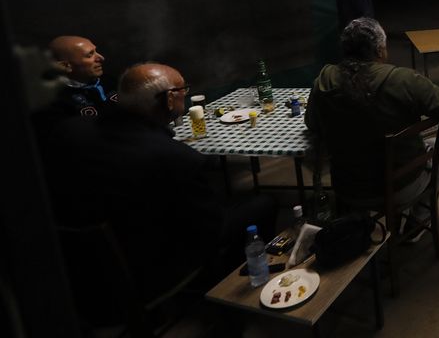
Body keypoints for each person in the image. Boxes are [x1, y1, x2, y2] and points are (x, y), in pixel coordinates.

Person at [42, 62, 276, 302]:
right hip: (145, 274)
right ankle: (229, 294)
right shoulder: (172, 156)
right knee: (263, 203)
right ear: (169, 99)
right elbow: (210, 230)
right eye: (184, 89)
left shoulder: (68, 130)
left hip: (77, 273)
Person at [305, 18, 439, 241]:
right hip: (398, 187)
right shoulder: (402, 80)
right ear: (380, 49)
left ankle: (357, 223)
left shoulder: (325, 79)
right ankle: (416, 225)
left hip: (346, 187)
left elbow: (311, 123)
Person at [47, 35, 118, 116]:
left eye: (95, 51)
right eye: (89, 55)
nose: (101, 58)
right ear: (66, 66)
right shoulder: (57, 102)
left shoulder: (110, 80)